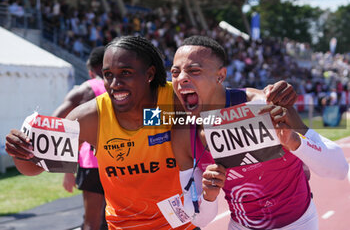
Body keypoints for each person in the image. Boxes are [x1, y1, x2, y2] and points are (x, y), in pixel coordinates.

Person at [5, 35, 297, 229]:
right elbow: (32, 167)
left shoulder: (177, 99)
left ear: (149, 74)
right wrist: (21, 151)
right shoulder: (93, 116)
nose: (115, 83)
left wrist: (268, 96)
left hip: (181, 224)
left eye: (126, 74)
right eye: (108, 75)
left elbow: (232, 97)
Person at [171, 36, 349, 229]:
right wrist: (209, 196)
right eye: (175, 72)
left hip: (299, 223)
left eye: (194, 70)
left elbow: (339, 169)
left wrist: (295, 142)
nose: (181, 78)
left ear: (220, 76)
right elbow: (199, 219)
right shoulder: (183, 134)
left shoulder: (265, 105)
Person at [52, 46, 107, 230]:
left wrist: (67, 169)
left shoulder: (84, 90)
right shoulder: (125, 86)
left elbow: (56, 123)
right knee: (121, 219)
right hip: (123, 162)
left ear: (91, 71)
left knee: (92, 222)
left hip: (91, 164)